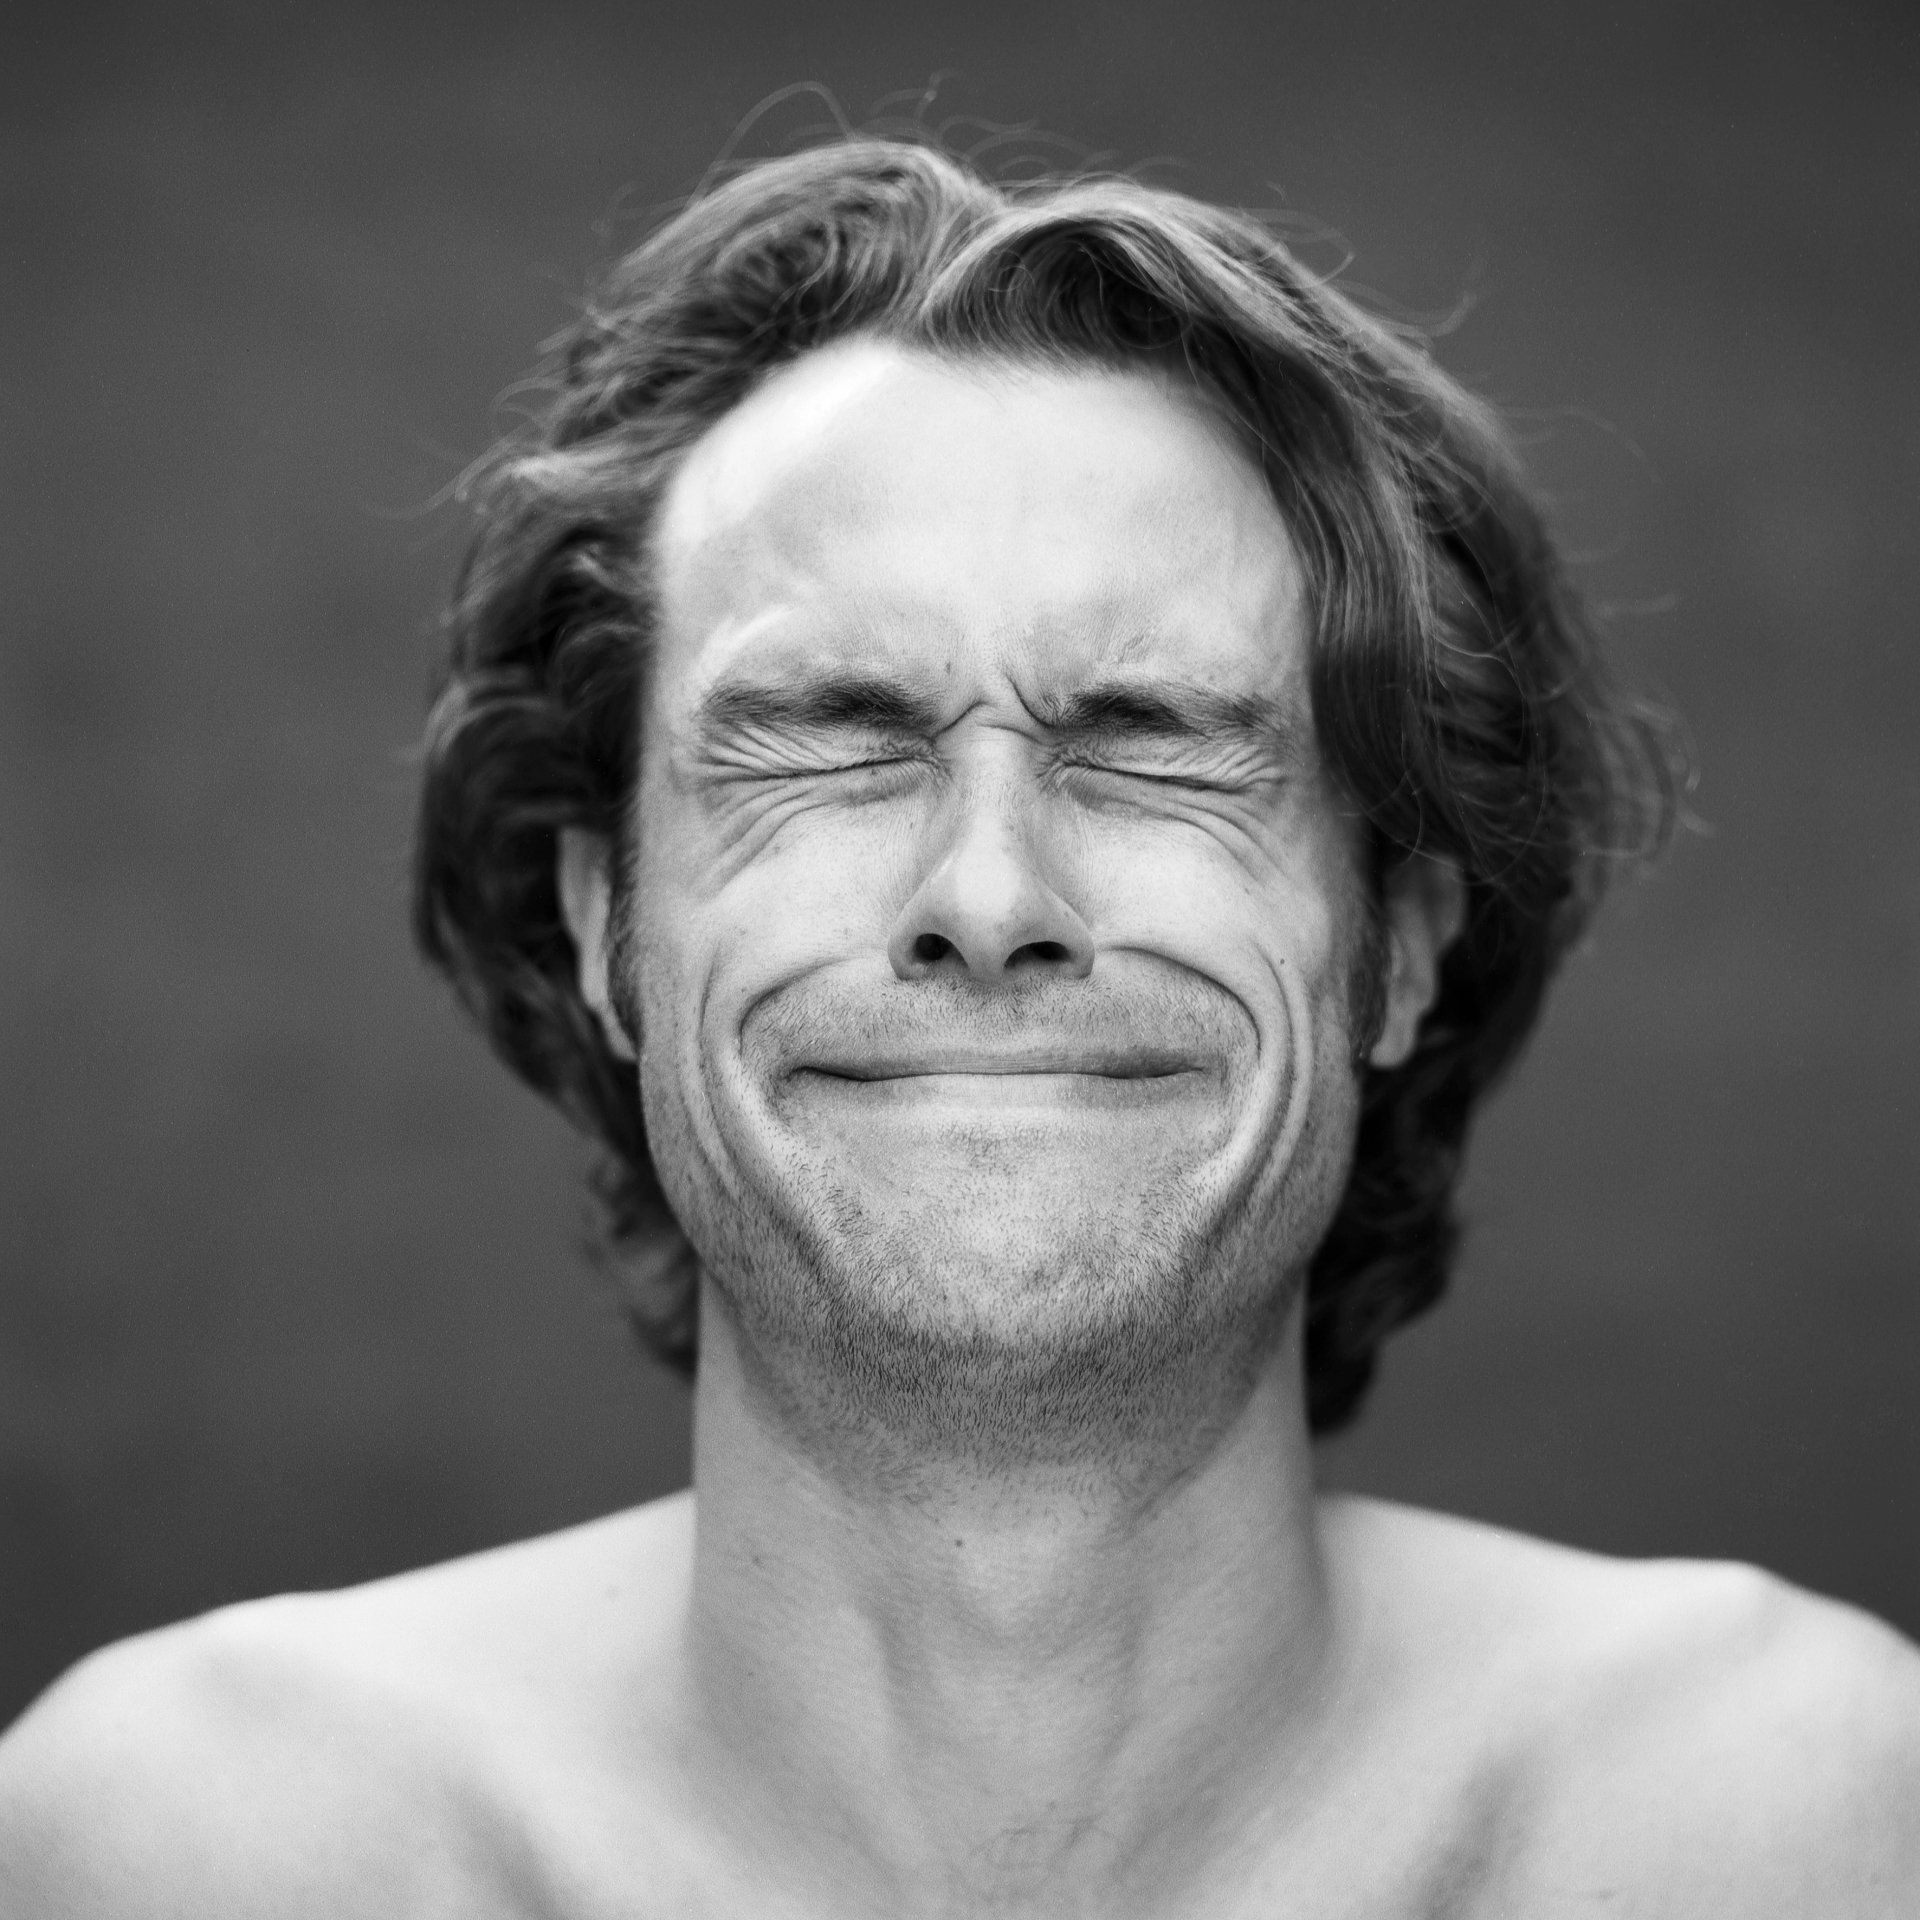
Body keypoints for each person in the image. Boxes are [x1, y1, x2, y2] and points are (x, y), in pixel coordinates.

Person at [3, 136, 1916, 1919]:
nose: (990, 896)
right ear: (604, 927)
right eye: (830, 735)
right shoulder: (178, 1852)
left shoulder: (1809, 1824)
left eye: (1153, 740)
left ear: (1398, 950)